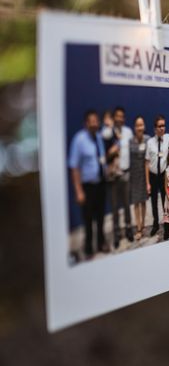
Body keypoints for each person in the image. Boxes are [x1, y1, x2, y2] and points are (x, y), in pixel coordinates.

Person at [68, 110, 107, 259]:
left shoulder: (98, 137)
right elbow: (74, 167)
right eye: (93, 121)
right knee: (89, 219)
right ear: (86, 123)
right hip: (87, 187)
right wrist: (79, 191)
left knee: (101, 217)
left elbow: (101, 159)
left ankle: (101, 243)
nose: (96, 123)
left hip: (101, 184)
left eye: (97, 121)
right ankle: (89, 248)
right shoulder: (79, 140)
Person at [108, 106, 134, 248]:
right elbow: (104, 154)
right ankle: (117, 234)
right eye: (118, 116)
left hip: (125, 173)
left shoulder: (128, 132)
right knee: (114, 207)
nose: (120, 118)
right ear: (114, 117)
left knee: (126, 205)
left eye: (122, 116)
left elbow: (131, 152)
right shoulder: (108, 133)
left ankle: (129, 229)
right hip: (113, 176)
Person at [145, 115, 169, 240]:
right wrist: (147, 183)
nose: (162, 128)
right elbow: (146, 162)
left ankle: (167, 228)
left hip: (163, 177)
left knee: (165, 203)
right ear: (155, 128)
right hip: (153, 176)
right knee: (154, 202)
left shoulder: (168, 139)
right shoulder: (150, 142)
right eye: (159, 126)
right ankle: (155, 224)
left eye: (163, 125)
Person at [129, 116, 149, 241]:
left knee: (143, 201)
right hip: (134, 176)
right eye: (137, 125)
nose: (139, 127)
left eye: (141, 125)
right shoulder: (130, 141)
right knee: (136, 202)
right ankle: (138, 228)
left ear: (144, 127)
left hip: (144, 175)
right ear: (135, 127)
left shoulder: (148, 140)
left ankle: (143, 224)